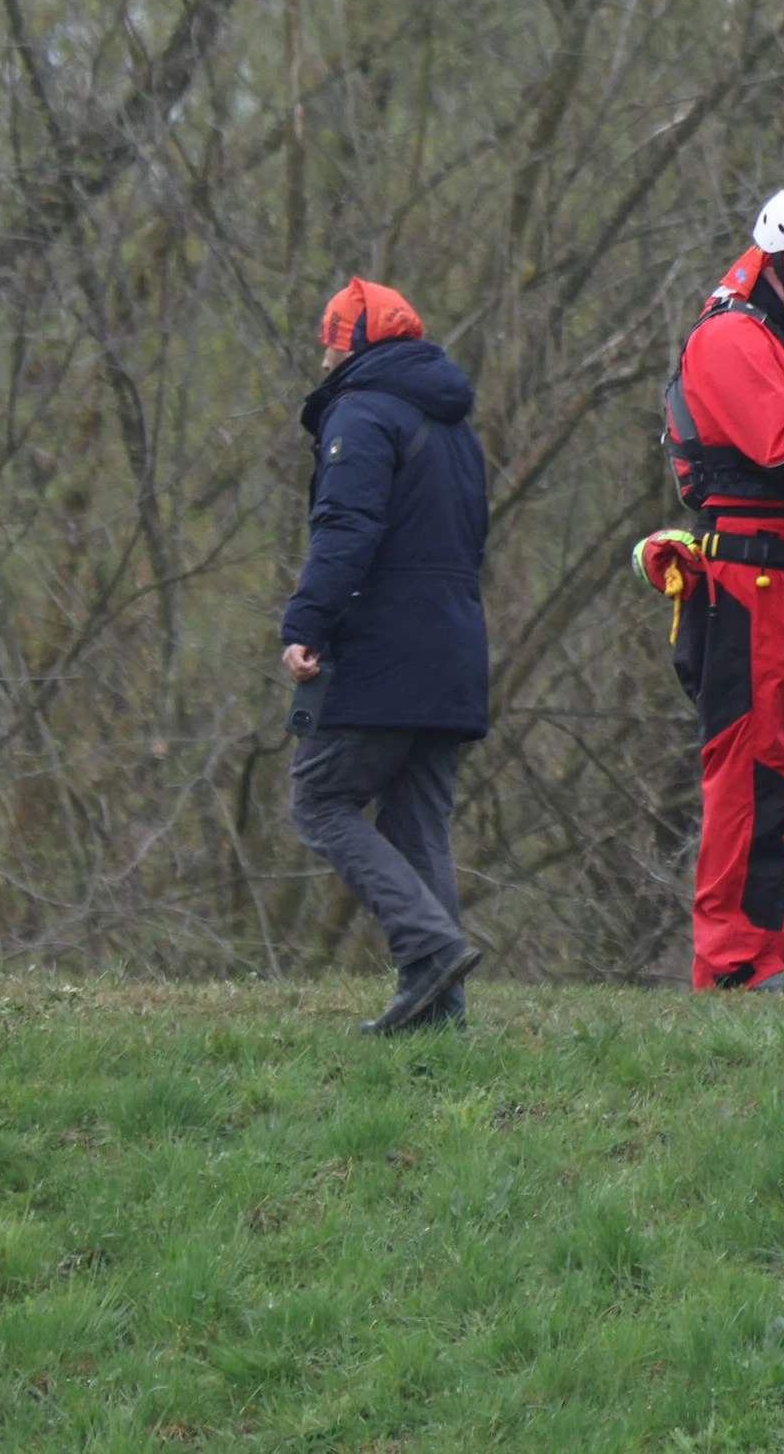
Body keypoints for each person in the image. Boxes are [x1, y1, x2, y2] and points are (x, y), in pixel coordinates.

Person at [659, 188, 784, 991]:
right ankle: (735, 959)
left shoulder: (768, 338)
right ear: (783, 265)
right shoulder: (730, 339)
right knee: (750, 769)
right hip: (744, 583)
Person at [281, 278, 492, 1035]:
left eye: (333, 343)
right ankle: (441, 1013)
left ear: (356, 346)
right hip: (457, 647)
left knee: (320, 800)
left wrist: (307, 622)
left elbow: (346, 527)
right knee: (417, 822)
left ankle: (430, 949)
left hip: (386, 648)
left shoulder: (361, 413)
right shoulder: (455, 428)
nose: (327, 357)